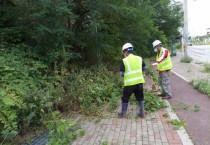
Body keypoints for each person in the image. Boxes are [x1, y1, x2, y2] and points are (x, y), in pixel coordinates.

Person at [118, 43, 147, 118]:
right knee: (140, 98)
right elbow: (145, 68)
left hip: (129, 84)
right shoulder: (139, 58)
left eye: (123, 52)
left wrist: (126, 74)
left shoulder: (124, 61)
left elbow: (121, 73)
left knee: (125, 98)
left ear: (126, 51)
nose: (123, 54)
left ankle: (123, 114)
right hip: (139, 83)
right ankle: (142, 114)